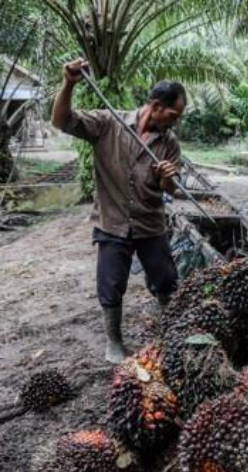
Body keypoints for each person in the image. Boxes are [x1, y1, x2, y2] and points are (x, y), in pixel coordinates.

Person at [51, 58, 185, 363]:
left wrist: (167, 177)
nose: (175, 121)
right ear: (155, 105)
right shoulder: (107, 123)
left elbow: (173, 190)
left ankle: (168, 335)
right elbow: (61, 121)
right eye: (173, 114)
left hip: (150, 223)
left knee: (165, 279)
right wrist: (69, 83)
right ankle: (114, 343)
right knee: (110, 284)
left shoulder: (170, 143)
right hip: (112, 222)